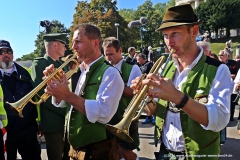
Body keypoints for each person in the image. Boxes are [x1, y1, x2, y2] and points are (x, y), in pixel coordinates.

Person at [131, 4, 232, 159]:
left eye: (175, 34)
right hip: (165, 153)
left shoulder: (218, 69)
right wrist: (146, 98)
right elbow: (158, 111)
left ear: (194, 31)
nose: (169, 42)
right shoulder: (166, 67)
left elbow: (219, 120)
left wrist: (177, 97)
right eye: (165, 35)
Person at [43, 23, 124, 160]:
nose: (73, 47)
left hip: (99, 150)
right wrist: (57, 92)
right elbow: (70, 106)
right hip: (75, 148)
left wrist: (67, 95)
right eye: (73, 42)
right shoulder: (79, 70)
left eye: (78, 42)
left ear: (95, 43)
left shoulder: (110, 73)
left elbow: (104, 113)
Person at [31, 33, 70, 160]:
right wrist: (66, 111)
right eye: (64, 45)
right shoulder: (40, 64)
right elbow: (42, 94)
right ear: (55, 45)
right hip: (53, 122)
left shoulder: (60, 64)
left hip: (66, 121)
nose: (66, 48)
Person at [0, 40, 41, 159]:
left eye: (8, 51)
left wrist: (39, 122)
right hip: (5, 132)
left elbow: (37, 99)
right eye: (1, 52)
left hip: (27, 129)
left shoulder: (27, 73)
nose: (5, 54)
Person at [102, 37, 142, 160]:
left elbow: (134, 92)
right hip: (109, 117)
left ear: (120, 51)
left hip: (125, 117)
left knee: (127, 152)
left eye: (111, 54)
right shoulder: (103, 67)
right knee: (113, 152)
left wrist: (116, 83)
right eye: (106, 54)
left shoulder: (132, 68)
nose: (108, 58)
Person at [218, 49, 238, 121]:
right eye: (219, 55)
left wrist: (233, 76)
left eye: (221, 55)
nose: (220, 57)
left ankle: (231, 117)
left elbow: (237, 74)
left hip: (231, 86)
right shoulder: (216, 64)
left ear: (226, 56)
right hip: (221, 87)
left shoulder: (233, 63)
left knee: (232, 102)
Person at [136, 53, 155, 124]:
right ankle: (148, 116)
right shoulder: (140, 65)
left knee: (150, 101)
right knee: (144, 103)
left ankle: (153, 116)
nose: (137, 61)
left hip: (149, 86)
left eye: (138, 59)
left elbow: (152, 75)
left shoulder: (149, 64)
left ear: (141, 58)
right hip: (143, 86)